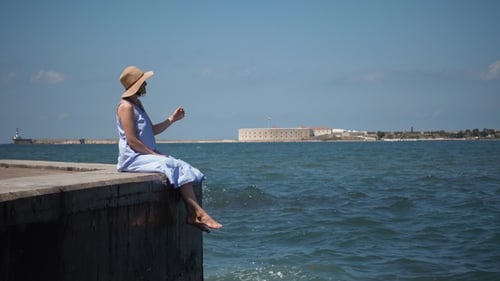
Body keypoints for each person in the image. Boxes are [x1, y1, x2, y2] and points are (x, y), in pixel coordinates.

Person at [116, 66, 222, 233]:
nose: (146, 86)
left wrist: (172, 119)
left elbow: (152, 130)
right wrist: (155, 155)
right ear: (137, 85)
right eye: (144, 83)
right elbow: (132, 141)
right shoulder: (126, 107)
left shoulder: (138, 104)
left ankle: (193, 214)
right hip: (133, 157)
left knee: (181, 165)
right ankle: (199, 213)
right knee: (170, 164)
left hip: (144, 155)